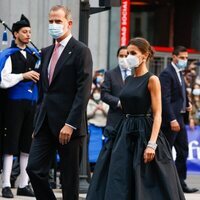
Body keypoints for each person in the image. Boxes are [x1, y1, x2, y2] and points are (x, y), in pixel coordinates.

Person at [86, 37, 185, 200]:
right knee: (119, 177)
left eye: (133, 53)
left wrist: (152, 145)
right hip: (124, 131)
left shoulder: (153, 80)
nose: (128, 57)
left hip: (144, 132)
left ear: (145, 55)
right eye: (127, 54)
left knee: (146, 179)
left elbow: (158, 114)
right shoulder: (129, 79)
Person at [26, 5, 93, 200]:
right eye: (51, 21)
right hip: (45, 123)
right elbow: (44, 91)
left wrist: (70, 124)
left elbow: (83, 91)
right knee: (34, 169)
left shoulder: (81, 51)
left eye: (58, 21)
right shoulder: (45, 51)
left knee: (69, 181)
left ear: (69, 23)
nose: (53, 25)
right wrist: (37, 122)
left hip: (69, 126)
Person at [0, 15, 39, 198]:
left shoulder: (34, 55)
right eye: (24, 31)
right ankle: (6, 184)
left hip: (31, 104)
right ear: (15, 34)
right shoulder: (8, 55)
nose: (28, 35)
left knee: (26, 145)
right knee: (10, 145)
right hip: (13, 104)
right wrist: (23, 76)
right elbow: (3, 80)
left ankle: (24, 183)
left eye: (30, 32)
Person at [159, 46, 198, 193]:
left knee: (183, 151)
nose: (184, 60)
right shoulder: (166, 73)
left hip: (181, 118)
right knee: (166, 153)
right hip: (171, 121)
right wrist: (172, 119)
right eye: (182, 57)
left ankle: (180, 183)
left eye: (186, 57)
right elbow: (165, 98)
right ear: (174, 57)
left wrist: (186, 106)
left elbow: (180, 95)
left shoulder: (179, 73)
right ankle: (165, 184)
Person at [101, 46, 131, 128]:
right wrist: (119, 103)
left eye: (126, 56)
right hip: (115, 121)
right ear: (117, 57)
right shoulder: (110, 74)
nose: (124, 58)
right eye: (121, 56)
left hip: (132, 121)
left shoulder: (136, 73)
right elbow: (104, 94)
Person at [87, 87, 109, 164]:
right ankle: (92, 163)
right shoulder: (89, 102)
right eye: (95, 92)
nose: (97, 94)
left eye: (98, 92)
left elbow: (109, 114)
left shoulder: (105, 102)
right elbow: (86, 115)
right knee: (93, 147)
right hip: (93, 127)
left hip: (103, 127)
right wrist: (94, 110)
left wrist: (102, 109)